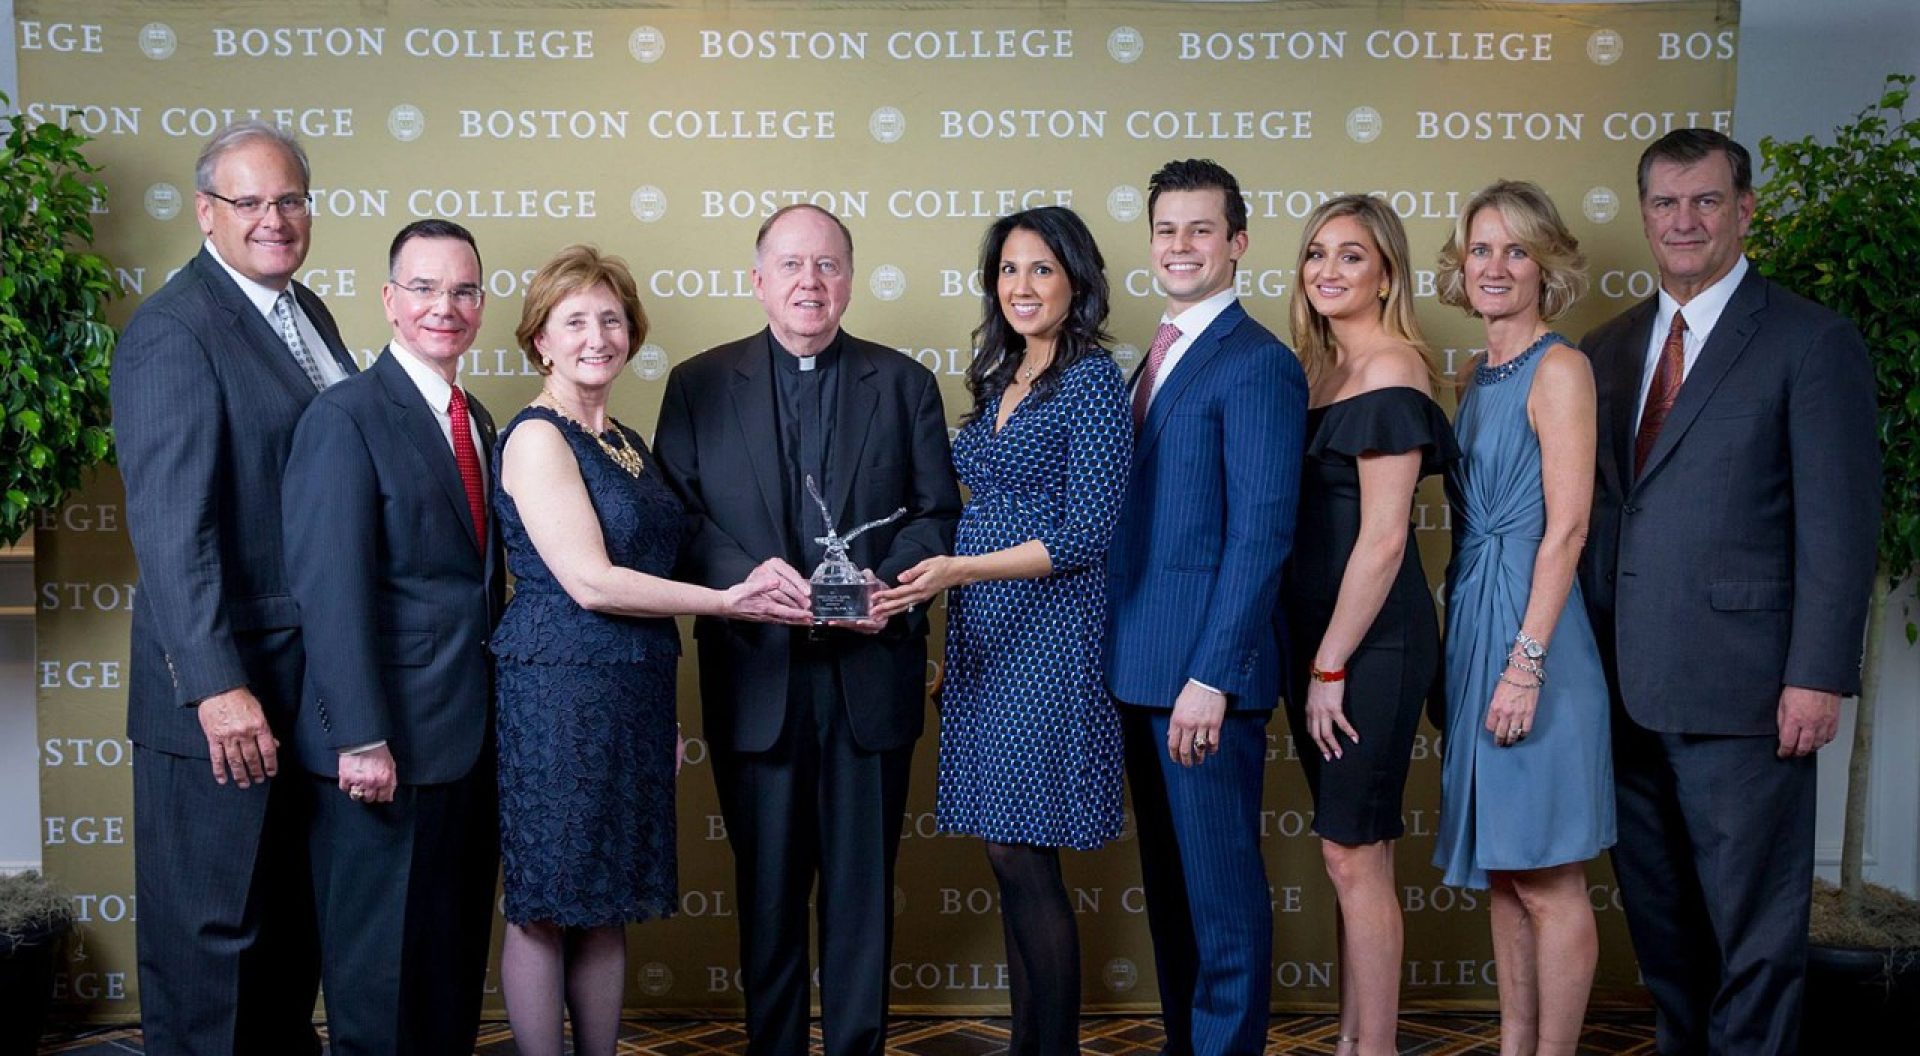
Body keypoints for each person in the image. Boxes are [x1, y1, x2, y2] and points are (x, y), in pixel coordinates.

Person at [1579, 130, 1879, 1056]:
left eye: (1706, 201)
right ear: (1643, 216)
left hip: (1750, 694)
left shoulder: (1809, 339)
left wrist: (1817, 676)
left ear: (1745, 210)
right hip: (1625, 689)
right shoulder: (1608, 347)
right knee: (1665, 931)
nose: (1684, 221)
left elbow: (1840, 523)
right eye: (1666, 204)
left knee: (1754, 936)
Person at [652, 205, 962, 1056]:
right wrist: (743, 581)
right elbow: (678, 517)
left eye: (826, 266)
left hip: (871, 674)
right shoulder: (698, 383)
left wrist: (889, 580)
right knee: (768, 894)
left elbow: (938, 514)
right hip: (757, 674)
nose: (809, 283)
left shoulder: (903, 384)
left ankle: (857, 1046)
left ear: (850, 280)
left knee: (863, 894)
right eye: (791, 265)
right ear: (758, 281)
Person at [489, 246, 808, 1056]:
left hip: (630, 689)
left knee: (607, 894)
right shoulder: (536, 437)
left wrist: (659, 712)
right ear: (540, 341)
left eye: (611, 318)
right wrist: (728, 600)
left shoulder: (627, 438)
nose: (597, 335)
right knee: (547, 898)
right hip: (557, 689)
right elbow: (593, 583)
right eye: (575, 321)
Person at [111, 121, 353, 1056]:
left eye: (288, 199)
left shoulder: (307, 312)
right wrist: (216, 688)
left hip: (300, 684)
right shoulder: (173, 331)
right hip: (220, 694)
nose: (273, 220)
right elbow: (175, 534)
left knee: (289, 936)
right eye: (248, 203)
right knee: (212, 942)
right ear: (207, 214)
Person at [873, 206, 1130, 1056]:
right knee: (1003, 848)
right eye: (1009, 270)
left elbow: (1087, 533)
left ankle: (1050, 1048)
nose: (1022, 286)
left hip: (1055, 635)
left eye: (1042, 270)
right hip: (987, 634)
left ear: (1076, 282)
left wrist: (957, 573)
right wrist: (951, 619)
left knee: (1026, 854)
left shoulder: (1092, 382)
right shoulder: (1000, 376)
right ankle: (1030, 1044)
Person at [279, 219, 502, 1055]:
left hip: (467, 743)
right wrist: (362, 737)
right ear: (388, 301)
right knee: (378, 982)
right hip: (383, 750)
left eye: (462, 290)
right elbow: (330, 591)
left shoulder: (474, 416)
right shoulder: (345, 418)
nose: (444, 306)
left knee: (448, 970)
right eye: (424, 288)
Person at [1104, 158, 1308, 1056]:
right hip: (1139, 669)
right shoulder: (1151, 355)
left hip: (1200, 682)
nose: (1180, 246)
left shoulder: (1258, 363)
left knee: (1221, 902)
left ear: (1238, 243)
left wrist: (1210, 678)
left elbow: (1261, 536)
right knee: (1176, 896)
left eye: (1200, 229)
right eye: (1166, 230)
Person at [1430, 180, 1612, 1056]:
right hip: (1477, 620)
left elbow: (1567, 526)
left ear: (1545, 264)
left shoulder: (1560, 368)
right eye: (1481, 249)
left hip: (1533, 635)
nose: (1495, 266)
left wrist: (1525, 660)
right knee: (1507, 873)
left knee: (1549, 878)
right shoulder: (1478, 371)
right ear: (1460, 267)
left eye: (1515, 250)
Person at [1281, 195, 1456, 1056]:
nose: (1328, 271)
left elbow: (1386, 541)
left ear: (1388, 271)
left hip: (1370, 647)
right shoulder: (1316, 373)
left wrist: (1330, 666)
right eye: (1317, 253)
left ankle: (1374, 1049)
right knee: (1353, 856)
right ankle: (1354, 1040)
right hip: (1316, 643)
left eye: (1352, 256)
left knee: (1356, 854)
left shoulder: (1393, 369)